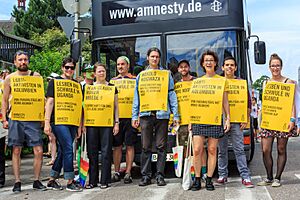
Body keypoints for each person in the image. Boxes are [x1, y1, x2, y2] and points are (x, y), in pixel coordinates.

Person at [132, 47, 179, 187]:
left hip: (162, 115)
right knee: (145, 147)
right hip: (146, 115)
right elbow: (137, 97)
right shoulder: (141, 76)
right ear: (147, 58)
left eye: (157, 57)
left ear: (159, 59)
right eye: (152, 56)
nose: (154, 59)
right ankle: (146, 176)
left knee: (161, 146)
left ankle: (160, 175)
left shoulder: (166, 74)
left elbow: (172, 94)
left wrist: (175, 114)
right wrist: (134, 116)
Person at [1, 51, 47, 192]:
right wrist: (4, 118)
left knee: (39, 150)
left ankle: (37, 180)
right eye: (20, 60)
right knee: (16, 150)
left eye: (25, 59)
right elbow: (4, 100)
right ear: (15, 62)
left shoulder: (36, 76)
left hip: (33, 119)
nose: (23, 62)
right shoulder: (10, 78)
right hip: (16, 118)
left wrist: (43, 117)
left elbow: (41, 98)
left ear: (28, 61)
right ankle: (17, 181)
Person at [190, 50, 230, 191]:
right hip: (199, 119)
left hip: (214, 119)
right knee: (197, 150)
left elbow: (225, 101)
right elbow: (193, 103)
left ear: (215, 63)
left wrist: (228, 119)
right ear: (202, 63)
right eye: (206, 60)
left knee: (212, 149)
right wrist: (190, 121)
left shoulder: (222, 81)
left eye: (211, 60)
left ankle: (208, 179)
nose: (208, 62)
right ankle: (197, 178)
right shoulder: (197, 82)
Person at [257, 53, 296, 187]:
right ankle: (268, 177)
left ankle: (277, 178)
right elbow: (263, 104)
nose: (275, 68)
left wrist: (293, 120)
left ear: (281, 66)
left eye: (277, 65)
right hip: (268, 121)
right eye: (273, 65)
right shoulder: (265, 83)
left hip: (283, 121)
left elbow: (292, 103)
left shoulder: (288, 82)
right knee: (265, 150)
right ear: (269, 67)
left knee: (281, 149)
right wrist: (260, 123)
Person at [44, 57, 82, 192]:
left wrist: (79, 126)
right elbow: (49, 103)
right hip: (58, 121)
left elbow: (79, 106)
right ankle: (70, 181)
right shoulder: (54, 82)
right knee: (67, 148)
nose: (69, 70)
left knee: (62, 151)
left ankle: (52, 179)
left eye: (72, 68)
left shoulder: (77, 85)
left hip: (72, 121)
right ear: (62, 68)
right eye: (67, 67)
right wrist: (47, 122)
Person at [217, 56, 254, 188]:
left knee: (239, 149)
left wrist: (246, 118)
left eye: (232, 65)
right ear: (222, 67)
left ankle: (245, 176)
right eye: (227, 65)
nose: (229, 67)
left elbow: (248, 102)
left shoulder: (242, 83)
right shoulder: (218, 82)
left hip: (238, 121)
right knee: (222, 150)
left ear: (236, 68)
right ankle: (222, 175)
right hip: (221, 121)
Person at [84, 63, 119, 189]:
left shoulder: (112, 87)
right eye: (99, 71)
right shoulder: (88, 88)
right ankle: (92, 181)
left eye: (103, 71)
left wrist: (116, 123)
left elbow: (116, 107)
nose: (102, 73)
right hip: (92, 124)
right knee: (92, 153)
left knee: (106, 152)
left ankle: (105, 180)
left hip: (107, 124)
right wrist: (82, 124)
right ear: (94, 73)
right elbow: (84, 108)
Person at [176, 60, 207, 179]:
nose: (183, 69)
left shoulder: (196, 82)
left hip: (196, 120)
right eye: (181, 67)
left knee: (199, 149)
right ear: (178, 70)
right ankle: (189, 172)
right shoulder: (176, 85)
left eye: (185, 67)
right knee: (185, 149)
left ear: (188, 68)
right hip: (182, 122)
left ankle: (203, 172)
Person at [110, 56, 137, 184]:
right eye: (118, 64)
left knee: (130, 145)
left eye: (123, 64)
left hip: (131, 118)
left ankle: (128, 172)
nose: (120, 67)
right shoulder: (112, 81)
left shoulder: (135, 80)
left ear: (128, 66)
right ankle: (116, 171)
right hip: (116, 119)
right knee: (117, 146)